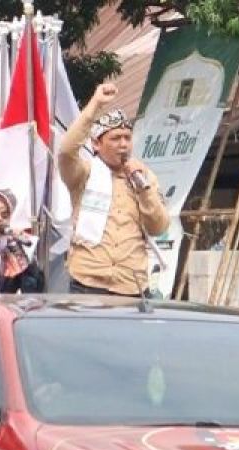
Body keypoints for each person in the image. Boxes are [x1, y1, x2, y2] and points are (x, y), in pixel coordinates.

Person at [57, 82, 171, 297]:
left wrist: (143, 188)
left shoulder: (144, 176)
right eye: (115, 138)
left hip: (131, 285)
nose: (123, 144)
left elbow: (159, 227)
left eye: (127, 138)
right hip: (87, 282)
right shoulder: (85, 173)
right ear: (97, 144)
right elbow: (65, 152)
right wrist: (95, 104)